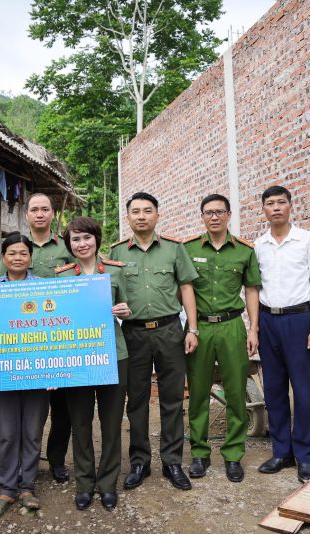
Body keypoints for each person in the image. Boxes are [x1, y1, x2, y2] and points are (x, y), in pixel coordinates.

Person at [109, 192, 199, 491]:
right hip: (133, 334)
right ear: (129, 217)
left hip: (170, 330)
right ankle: (139, 461)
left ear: (157, 215)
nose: (142, 216)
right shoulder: (117, 253)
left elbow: (186, 288)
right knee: (136, 400)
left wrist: (193, 329)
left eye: (148, 211)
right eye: (136, 211)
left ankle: (172, 461)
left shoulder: (174, 249)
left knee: (172, 399)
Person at [182, 194, 261, 483]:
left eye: (219, 212)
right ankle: (200, 454)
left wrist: (253, 329)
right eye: (208, 213)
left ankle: (232, 455)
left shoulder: (243, 251)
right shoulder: (188, 249)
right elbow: (184, 288)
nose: (213, 217)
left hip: (231, 327)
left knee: (236, 391)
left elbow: (252, 289)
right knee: (199, 393)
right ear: (202, 216)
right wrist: (190, 329)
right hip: (199, 327)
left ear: (228, 215)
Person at [0, 193, 74, 483]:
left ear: (53, 214)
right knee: (22, 417)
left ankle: (55, 461)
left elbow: (82, 282)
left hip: (56, 337)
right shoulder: (15, 245)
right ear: (26, 214)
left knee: (61, 410)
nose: (39, 214)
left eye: (45, 209)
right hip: (18, 346)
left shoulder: (66, 247)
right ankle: (16, 468)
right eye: (34, 209)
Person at [55, 217, 131, 511]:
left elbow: (126, 310)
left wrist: (124, 311)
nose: (82, 244)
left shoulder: (114, 272)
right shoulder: (61, 278)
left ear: (97, 239)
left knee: (111, 424)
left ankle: (108, 483)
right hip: (77, 358)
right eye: (75, 239)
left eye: (86, 237)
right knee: (81, 423)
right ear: (69, 245)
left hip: (113, 353)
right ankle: (85, 483)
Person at [254, 186, 310, 483]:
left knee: (304, 389)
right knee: (273, 389)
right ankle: (281, 451)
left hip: (300, 320)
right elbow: (255, 289)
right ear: (264, 210)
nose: (276, 208)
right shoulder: (259, 245)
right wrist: (255, 326)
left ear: (290, 206)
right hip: (269, 320)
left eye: (281, 202)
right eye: (270, 204)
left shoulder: (307, 240)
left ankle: (305, 455)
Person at [0, 233, 51, 517]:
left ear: (30, 258)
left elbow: (53, 332)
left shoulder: (44, 288)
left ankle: (27, 487)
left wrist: (53, 371)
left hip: (37, 373)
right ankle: (6, 488)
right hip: (3, 374)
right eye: (12, 253)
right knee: (8, 433)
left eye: (23, 253)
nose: (17, 258)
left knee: (32, 431)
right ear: (3, 257)